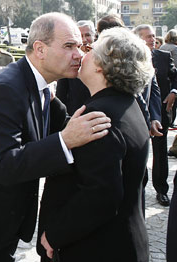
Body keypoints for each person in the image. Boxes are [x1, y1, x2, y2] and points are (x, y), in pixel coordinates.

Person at [0, 12, 111, 261]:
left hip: (1, 221)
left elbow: (69, 125)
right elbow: (6, 164)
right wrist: (65, 141)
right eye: (69, 46)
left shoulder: (41, 86)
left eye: (79, 47)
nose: (78, 55)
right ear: (40, 49)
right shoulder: (6, 89)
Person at [38, 26, 153, 262]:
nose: (82, 54)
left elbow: (101, 195)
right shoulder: (124, 105)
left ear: (102, 65)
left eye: (89, 49)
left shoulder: (100, 116)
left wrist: (55, 235)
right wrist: (54, 104)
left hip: (97, 248)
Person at [134, 24, 177, 206]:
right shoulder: (131, 58)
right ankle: (138, 189)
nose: (152, 39)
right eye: (148, 37)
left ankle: (161, 190)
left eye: (153, 36)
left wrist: (174, 91)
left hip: (160, 111)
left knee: (159, 152)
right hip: (137, 116)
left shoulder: (163, 56)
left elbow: (175, 76)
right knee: (138, 152)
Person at [56, 19, 95, 115]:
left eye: (88, 35)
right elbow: (61, 94)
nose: (85, 39)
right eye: (81, 36)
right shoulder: (69, 61)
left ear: (94, 36)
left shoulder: (102, 62)